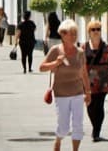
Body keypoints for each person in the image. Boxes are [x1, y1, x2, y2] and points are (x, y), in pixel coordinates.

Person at [41, 19, 90, 151]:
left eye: (75, 33)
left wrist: (88, 92)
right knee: (63, 127)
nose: (74, 36)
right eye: (71, 33)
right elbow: (42, 67)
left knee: (78, 125)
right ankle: (58, 140)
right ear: (62, 34)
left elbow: (84, 73)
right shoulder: (55, 50)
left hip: (78, 93)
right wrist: (55, 63)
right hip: (61, 93)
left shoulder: (80, 52)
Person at [84, 19, 108, 142]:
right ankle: (95, 126)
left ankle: (96, 131)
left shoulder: (107, 48)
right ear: (89, 32)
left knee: (99, 105)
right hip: (88, 80)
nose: (96, 32)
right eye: (93, 29)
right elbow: (79, 65)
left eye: (98, 29)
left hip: (103, 80)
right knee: (90, 105)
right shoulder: (83, 47)